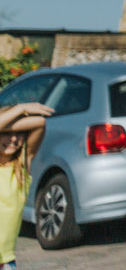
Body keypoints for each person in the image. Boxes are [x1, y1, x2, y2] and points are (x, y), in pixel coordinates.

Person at [0, 101, 53, 270]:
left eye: (20, 134)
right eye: (7, 133)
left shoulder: (21, 167)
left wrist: (10, 124)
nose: (14, 139)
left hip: (6, 261)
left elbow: (40, 123)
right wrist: (20, 109)